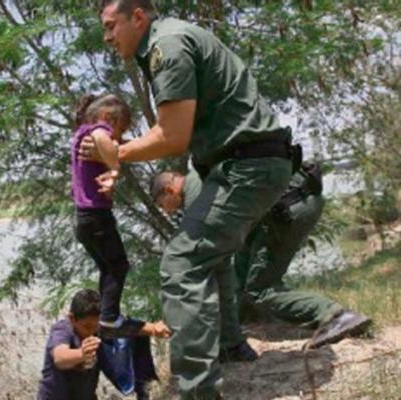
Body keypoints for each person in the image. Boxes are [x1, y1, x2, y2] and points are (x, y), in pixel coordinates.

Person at [80, 1, 298, 398]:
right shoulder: (164, 43)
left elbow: (172, 138)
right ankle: (231, 346)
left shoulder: (169, 46)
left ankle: (198, 391)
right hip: (232, 163)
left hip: (247, 165)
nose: (107, 37)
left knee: (181, 264)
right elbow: (172, 133)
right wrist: (120, 154)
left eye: (112, 26)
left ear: (138, 17)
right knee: (207, 254)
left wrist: (114, 153)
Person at [152, 165, 372, 353]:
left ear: (169, 190)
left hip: (286, 210)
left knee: (261, 290)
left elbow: (210, 259)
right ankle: (247, 316)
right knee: (243, 272)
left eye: (162, 206)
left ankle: (335, 315)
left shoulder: (195, 195)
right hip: (295, 201)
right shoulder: (200, 176)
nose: (167, 212)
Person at [37, 288, 171, 400]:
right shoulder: (63, 330)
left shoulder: (98, 329)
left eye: (95, 326)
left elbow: (128, 327)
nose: (92, 331)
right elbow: (60, 358)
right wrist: (81, 353)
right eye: (87, 326)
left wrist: (154, 329)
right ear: (72, 318)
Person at [71, 93, 133, 333]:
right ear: (107, 118)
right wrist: (115, 169)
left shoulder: (78, 135)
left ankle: (104, 314)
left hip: (83, 219)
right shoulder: (96, 131)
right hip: (97, 216)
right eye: (118, 130)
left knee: (108, 268)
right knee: (119, 265)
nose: (116, 137)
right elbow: (102, 136)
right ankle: (109, 317)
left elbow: (111, 143)